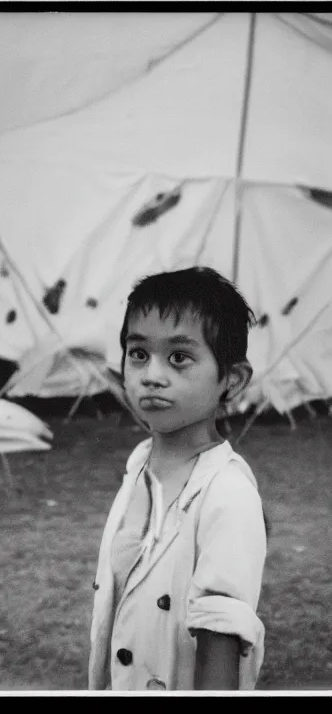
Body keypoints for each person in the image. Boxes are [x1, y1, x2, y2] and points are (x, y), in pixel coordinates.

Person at [88, 267, 267, 691]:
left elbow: (222, 643)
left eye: (179, 358)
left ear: (232, 380)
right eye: (138, 354)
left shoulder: (228, 494)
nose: (152, 375)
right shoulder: (139, 468)